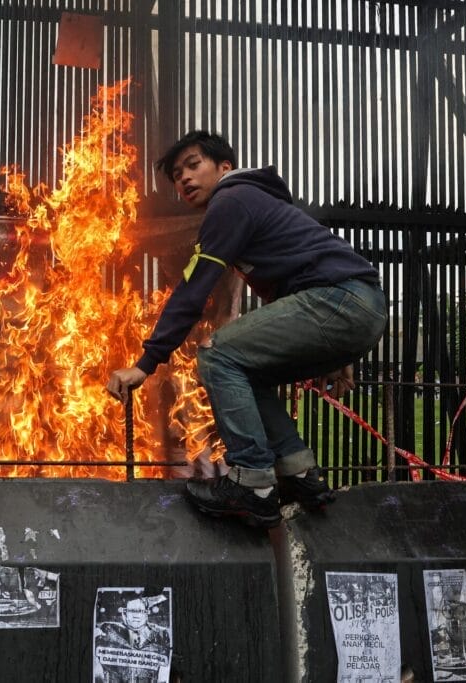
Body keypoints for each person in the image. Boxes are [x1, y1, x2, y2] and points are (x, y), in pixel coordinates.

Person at [106, 131, 386, 528]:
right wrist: (337, 352)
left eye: (193, 164)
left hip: (339, 299)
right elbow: (296, 283)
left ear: (225, 167)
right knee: (246, 369)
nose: (183, 178)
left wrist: (147, 363)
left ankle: (252, 480)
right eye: (175, 175)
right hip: (353, 307)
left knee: (218, 353)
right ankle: (299, 473)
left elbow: (194, 287)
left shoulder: (231, 200)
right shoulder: (254, 203)